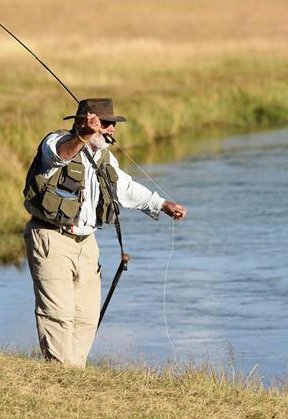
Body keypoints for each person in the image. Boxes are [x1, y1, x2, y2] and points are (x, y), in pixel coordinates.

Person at [22, 98, 187, 367]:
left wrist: (162, 205)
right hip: (50, 238)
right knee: (57, 313)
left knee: (86, 317)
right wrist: (83, 136)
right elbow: (61, 156)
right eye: (106, 124)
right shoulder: (55, 142)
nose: (111, 129)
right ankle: (59, 373)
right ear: (84, 123)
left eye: (112, 124)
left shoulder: (105, 157)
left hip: (87, 242)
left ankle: (72, 373)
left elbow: (126, 189)